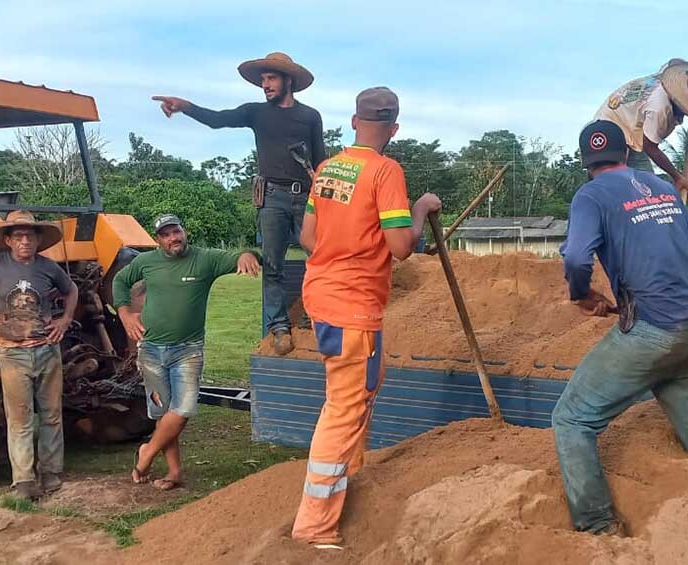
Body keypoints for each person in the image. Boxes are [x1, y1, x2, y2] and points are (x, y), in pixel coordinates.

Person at [290, 87, 442, 546]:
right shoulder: (385, 170)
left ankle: (346, 475)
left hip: (321, 295)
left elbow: (309, 239)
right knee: (346, 405)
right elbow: (401, 247)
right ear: (394, 130)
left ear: (354, 122)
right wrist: (420, 209)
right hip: (354, 305)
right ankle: (315, 525)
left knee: (361, 387)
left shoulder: (327, 170)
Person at [553, 120, 688, 535]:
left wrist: (582, 295)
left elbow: (576, 258)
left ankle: (597, 526)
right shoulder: (663, 189)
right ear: (626, 154)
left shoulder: (590, 195)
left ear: (585, 162)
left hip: (654, 331)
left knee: (572, 418)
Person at [152, 52, 325, 355]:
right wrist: (185, 107)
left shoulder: (310, 116)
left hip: (307, 197)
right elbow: (218, 120)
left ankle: (316, 318)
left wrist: (326, 199)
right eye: (262, 80)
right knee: (273, 265)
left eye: (271, 78)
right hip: (272, 198)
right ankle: (279, 327)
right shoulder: (255, 112)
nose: (265, 84)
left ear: (288, 80)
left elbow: (321, 162)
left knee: (320, 258)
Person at [113, 214, 261, 490]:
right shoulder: (145, 262)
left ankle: (147, 453)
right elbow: (120, 280)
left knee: (182, 409)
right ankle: (174, 472)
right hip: (151, 349)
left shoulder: (205, 259)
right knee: (162, 412)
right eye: (166, 235)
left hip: (188, 350)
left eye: (176, 231)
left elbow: (242, 255)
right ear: (158, 240)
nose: (173, 238)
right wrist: (125, 313)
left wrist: (247, 254)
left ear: (185, 230)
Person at [0, 210, 79, 501]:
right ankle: (23, 479)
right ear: (8, 240)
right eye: (18, 236)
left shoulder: (48, 267)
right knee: (20, 419)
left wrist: (65, 320)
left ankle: (52, 472)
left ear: (37, 239)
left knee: (51, 415)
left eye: (29, 235)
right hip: (12, 353)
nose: (24, 241)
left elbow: (72, 291)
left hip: (47, 350)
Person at [594, 58, 688, 193]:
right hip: (610, 127)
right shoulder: (660, 109)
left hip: (628, 127)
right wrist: (677, 177)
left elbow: (674, 62)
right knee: (624, 190)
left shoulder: (669, 77)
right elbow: (650, 147)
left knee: (647, 188)